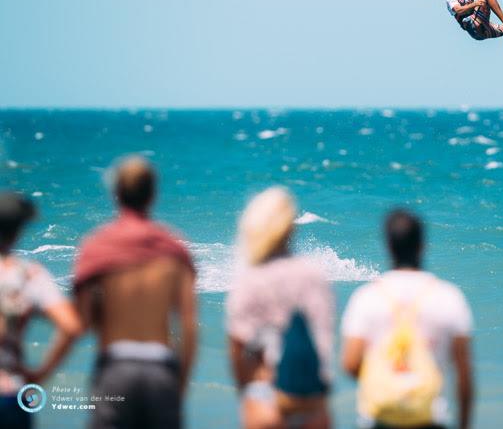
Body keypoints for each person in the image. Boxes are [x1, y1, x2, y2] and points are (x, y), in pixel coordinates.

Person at [73, 156, 197, 429]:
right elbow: (189, 327)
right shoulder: (174, 249)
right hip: (160, 370)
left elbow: (80, 321)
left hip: (115, 368)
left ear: (116, 194)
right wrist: (181, 384)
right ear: (153, 194)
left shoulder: (97, 247)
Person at [341, 209, 474, 429]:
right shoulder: (449, 297)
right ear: (423, 246)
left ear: (388, 246)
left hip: (379, 419)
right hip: (430, 419)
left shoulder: (366, 297)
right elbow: (464, 376)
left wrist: (388, 380)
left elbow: (350, 363)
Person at [226, 187, 334, 429]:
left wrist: (247, 393)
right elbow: (322, 343)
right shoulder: (314, 276)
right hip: (311, 403)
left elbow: (237, 350)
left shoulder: (251, 279)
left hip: (266, 399)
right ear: (291, 227)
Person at [0, 192, 81, 429]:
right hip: (9, 391)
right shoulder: (29, 274)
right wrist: (40, 374)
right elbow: (71, 325)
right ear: (18, 231)